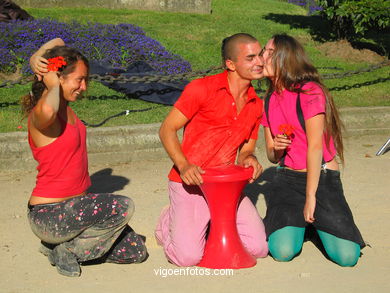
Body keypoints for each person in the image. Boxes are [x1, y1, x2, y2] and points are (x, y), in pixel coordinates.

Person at [22, 38, 147, 277]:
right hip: (50, 215)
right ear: (58, 78)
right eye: (80, 80)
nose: (84, 87)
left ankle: (59, 248)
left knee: (135, 250)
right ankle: (68, 250)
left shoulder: (66, 108)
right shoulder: (43, 113)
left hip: (77, 213)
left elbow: (58, 41)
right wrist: (51, 82)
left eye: (85, 80)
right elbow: (48, 109)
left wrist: (36, 57)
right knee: (121, 206)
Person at [155, 33, 269, 266]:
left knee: (257, 248)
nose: (259, 62)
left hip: (226, 186)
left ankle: (201, 223)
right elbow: (167, 129)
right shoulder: (201, 88)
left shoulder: (257, 103)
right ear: (231, 64)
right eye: (250, 58)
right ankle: (167, 223)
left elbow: (246, 150)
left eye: (260, 55)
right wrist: (184, 164)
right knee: (187, 257)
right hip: (190, 182)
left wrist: (250, 159)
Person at [260, 33, 365, 266]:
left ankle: (315, 226)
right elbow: (270, 155)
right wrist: (276, 149)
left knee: (347, 258)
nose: (262, 57)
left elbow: (315, 148)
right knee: (282, 251)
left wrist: (310, 198)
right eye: (263, 52)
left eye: (269, 52)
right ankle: (304, 226)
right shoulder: (267, 100)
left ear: (285, 57)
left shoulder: (309, 92)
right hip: (288, 179)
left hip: (321, 178)